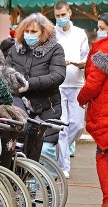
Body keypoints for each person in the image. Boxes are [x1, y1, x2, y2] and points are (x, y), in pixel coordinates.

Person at [5, 12, 66, 161]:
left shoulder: (55, 49)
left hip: (47, 106)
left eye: (33, 32)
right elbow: (6, 71)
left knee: (45, 148)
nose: (29, 34)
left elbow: (58, 75)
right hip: (20, 106)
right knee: (19, 148)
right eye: (27, 31)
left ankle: (46, 182)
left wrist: (29, 84)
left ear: (43, 32)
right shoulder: (15, 49)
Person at [54, 1, 89, 179]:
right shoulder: (52, 34)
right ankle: (63, 166)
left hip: (76, 83)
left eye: (63, 15)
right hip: (58, 86)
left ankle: (58, 148)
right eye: (57, 16)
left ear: (69, 13)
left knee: (77, 125)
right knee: (62, 126)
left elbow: (86, 58)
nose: (60, 19)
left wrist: (78, 63)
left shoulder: (80, 34)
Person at [77, 12, 108, 207]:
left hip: (104, 111)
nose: (99, 31)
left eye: (102, 27)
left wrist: (81, 99)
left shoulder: (102, 51)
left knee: (103, 154)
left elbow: (93, 85)